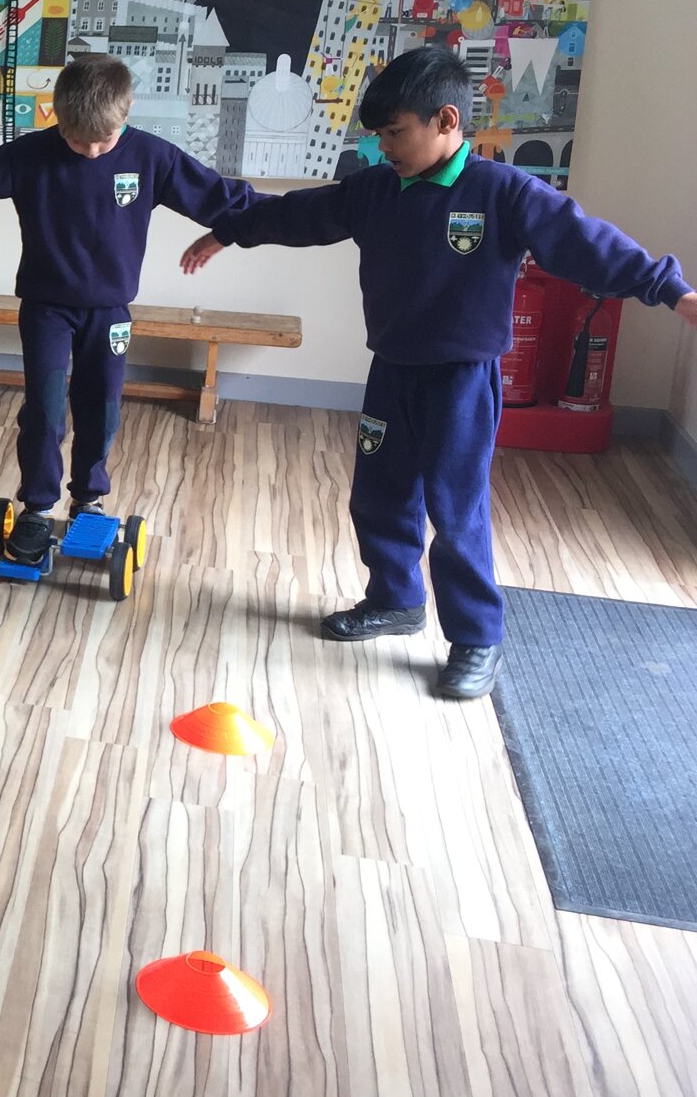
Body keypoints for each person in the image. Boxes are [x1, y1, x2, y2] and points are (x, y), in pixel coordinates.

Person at [182, 45, 697, 699]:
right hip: (392, 371)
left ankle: (477, 638)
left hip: (461, 381)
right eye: (379, 137)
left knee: (456, 513)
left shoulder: (503, 193)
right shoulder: (375, 191)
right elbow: (296, 215)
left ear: (446, 120)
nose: (384, 148)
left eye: (395, 133)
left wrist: (669, 289)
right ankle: (396, 598)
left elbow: (584, 243)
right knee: (379, 495)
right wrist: (231, 230)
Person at [0, 54, 258, 561]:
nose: (89, 150)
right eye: (77, 139)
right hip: (45, 308)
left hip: (110, 314)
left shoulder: (152, 157)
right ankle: (38, 507)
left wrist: (253, 226)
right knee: (42, 410)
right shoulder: (31, 155)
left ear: (124, 118)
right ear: (57, 119)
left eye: (102, 141)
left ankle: (88, 499)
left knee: (101, 407)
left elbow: (221, 198)